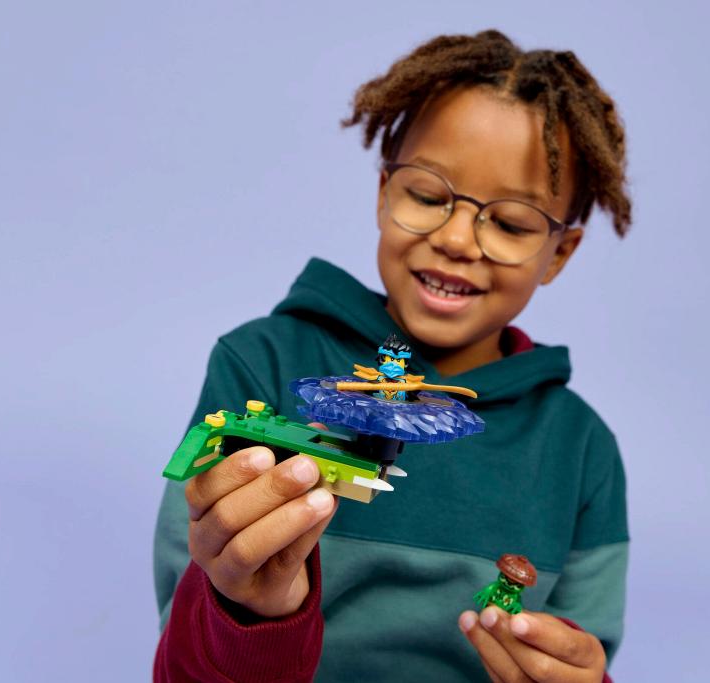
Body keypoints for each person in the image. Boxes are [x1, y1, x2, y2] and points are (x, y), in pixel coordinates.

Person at [153, 29, 632, 683]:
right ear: (384, 194)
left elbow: (584, 647)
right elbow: (184, 658)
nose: (457, 239)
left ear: (560, 253)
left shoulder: (582, 448)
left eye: (512, 223)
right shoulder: (259, 361)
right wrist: (248, 608)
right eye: (428, 196)